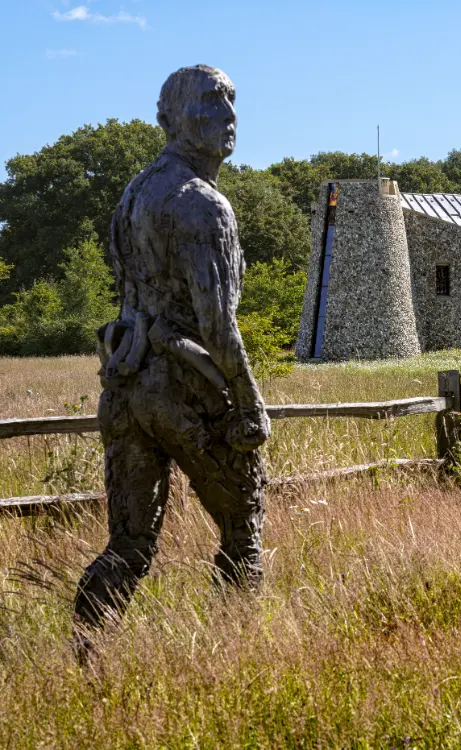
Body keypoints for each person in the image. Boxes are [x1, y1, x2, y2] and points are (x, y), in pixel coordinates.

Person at [73, 66, 270, 657]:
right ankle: (239, 655)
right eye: (211, 101)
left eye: (232, 100)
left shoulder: (135, 193)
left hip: (126, 385)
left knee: (131, 544)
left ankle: (83, 654)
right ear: (171, 119)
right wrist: (251, 401)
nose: (228, 114)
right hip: (184, 384)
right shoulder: (202, 206)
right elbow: (217, 325)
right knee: (243, 534)